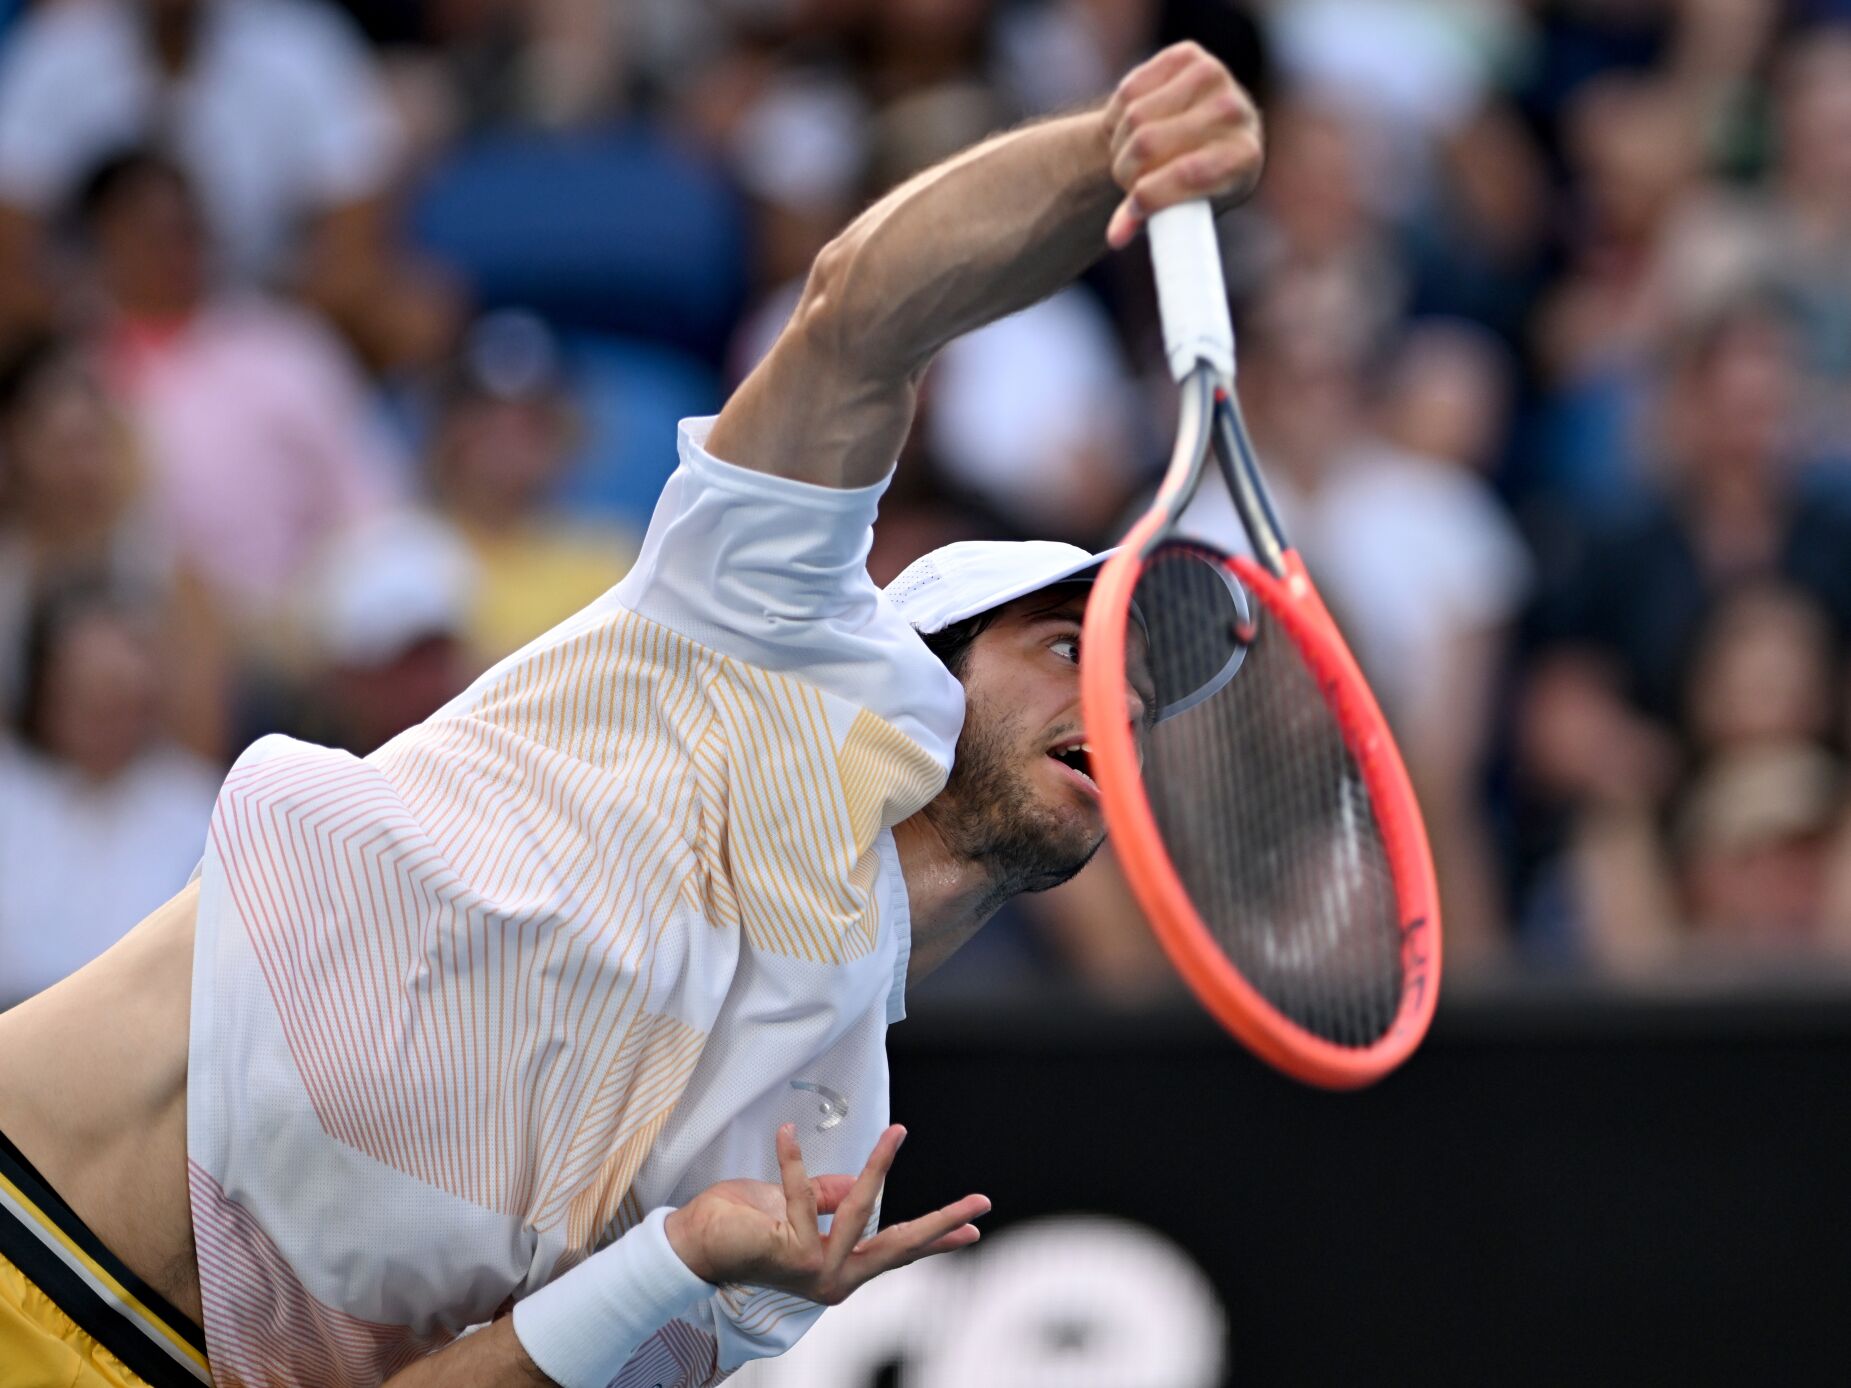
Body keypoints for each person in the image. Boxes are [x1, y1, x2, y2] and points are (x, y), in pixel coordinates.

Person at [0, 41, 1262, 1388]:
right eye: (1072, 642)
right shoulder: (752, 643)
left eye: (1143, 692)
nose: (1116, 698)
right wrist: (1109, 150)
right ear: (923, 656)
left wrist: (683, 1259)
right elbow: (864, 307)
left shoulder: (813, 1170)